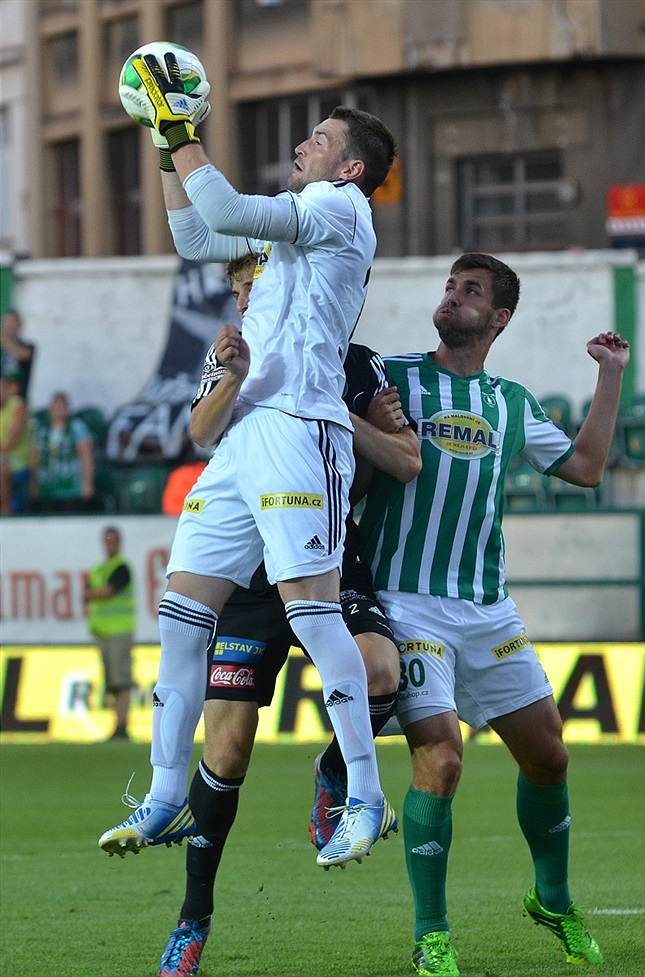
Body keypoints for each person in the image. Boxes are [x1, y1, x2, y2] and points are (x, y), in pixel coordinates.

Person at [99, 51, 400, 870]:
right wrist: (169, 147)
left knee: (312, 610)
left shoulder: (339, 208)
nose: (303, 145)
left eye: (319, 137)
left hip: (303, 428)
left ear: (352, 166)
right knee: (182, 607)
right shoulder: (286, 231)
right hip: (245, 436)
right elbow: (198, 230)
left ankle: (366, 796)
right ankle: (166, 797)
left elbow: (223, 199)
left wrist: (180, 124)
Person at [358, 253, 630, 976]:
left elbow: (587, 468)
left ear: (499, 317)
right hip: (405, 600)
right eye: (451, 286)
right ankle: (432, 934)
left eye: (470, 290)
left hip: (486, 607)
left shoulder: (510, 403)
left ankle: (552, 898)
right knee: (442, 759)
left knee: (549, 754)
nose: (453, 297)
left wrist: (610, 376)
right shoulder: (392, 376)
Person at [153, 252, 419, 977]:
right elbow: (200, 430)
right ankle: (192, 919)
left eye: (255, 282)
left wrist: (333, 411)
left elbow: (405, 459)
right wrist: (233, 378)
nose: (244, 295)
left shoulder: (353, 362)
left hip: (322, 549)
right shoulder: (231, 351)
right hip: (248, 574)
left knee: (380, 672)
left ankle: (335, 772)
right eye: (237, 287)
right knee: (228, 748)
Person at [84, 527, 135, 741]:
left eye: (113, 539)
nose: (110, 544)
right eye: (107, 539)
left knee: (121, 681)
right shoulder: (100, 569)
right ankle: (117, 725)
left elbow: (105, 591)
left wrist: (89, 595)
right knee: (113, 682)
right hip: (104, 633)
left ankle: (122, 726)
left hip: (119, 632)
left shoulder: (121, 567)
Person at [30, 391, 96, 513]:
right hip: (47, 487)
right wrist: (34, 484)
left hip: (71, 488)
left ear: (67, 410)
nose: (57, 411)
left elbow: (86, 457)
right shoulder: (42, 430)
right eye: (54, 407)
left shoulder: (76, 428)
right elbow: (36, 459)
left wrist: (87, 484)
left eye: (61, 407)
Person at [0, 371, 32, 515]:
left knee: (1, 469)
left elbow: (13, 438)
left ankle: (6, 512)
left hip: (19, 461)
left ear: (7, 390)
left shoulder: (17, 405)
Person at [0, 309, 35, 400]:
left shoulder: (27, 346)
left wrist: (3, 338)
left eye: (12, 322)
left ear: (19, 325)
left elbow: (24, 355)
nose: (9, 325)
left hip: (18, 401)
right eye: (6, 322)